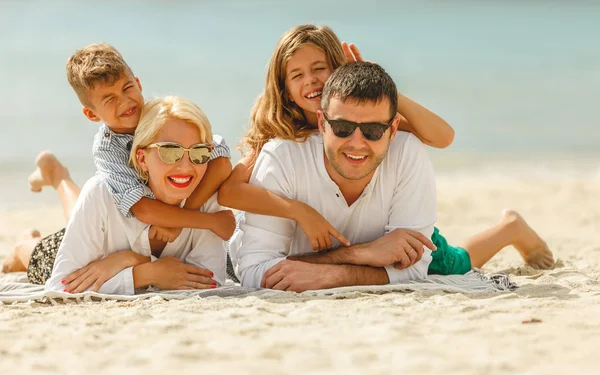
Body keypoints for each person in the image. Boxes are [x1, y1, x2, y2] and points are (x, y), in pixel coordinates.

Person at [220, 25, 554, 281]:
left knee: (455, 264)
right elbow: (231, 191)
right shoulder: (277, 134)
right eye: (297, 75)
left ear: (338, 69)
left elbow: (443, 137)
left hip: (392, 226)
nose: (312, 81)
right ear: (285, 90)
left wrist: (386, 88)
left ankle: (510, 228)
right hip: (344, 235)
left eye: (319, 68)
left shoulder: (369, 122)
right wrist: (300, 212)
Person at [2, 42, 236, 279]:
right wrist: (205, 221)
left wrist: (183, 220)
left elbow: (220, 159)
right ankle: (25, 243)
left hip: (133, 233)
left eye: (127, 88)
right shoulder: (107, 149)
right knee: (48, 256)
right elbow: (143, 209)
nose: (125, 102)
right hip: (110, 229)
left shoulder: (161, 119)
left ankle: (57, 174)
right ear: (92, 114)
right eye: (109, 99)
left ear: (139, 84)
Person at [44, 96, 230, 295]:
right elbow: (61, 286)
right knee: (34, 252)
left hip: (93, 239)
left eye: (198, 152)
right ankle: (58, 176)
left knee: (75, 211)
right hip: (70, 250)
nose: (186, 167)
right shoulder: (101, 194)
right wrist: (147, 272)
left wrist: (130, 261)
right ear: (142, 159)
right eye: (169, 151)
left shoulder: (207, 195)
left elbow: (209, 280)